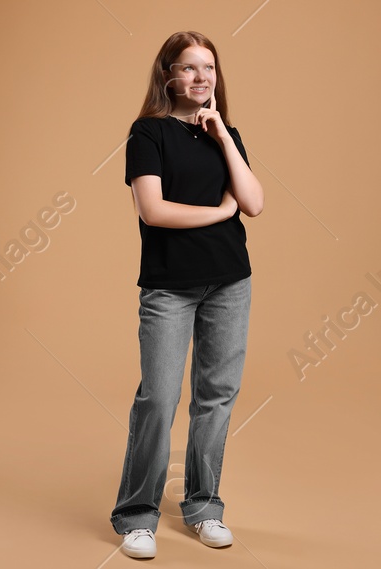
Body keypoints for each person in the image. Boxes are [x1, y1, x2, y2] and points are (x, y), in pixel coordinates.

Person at [112, 30, 263, 560]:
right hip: (169, 286)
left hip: (230, 281)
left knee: (216, 399)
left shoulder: (228, 133)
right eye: (190, 68)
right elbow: (153, 211)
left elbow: (255, 200)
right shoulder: (147, 133)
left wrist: (223, 134)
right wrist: (221, 214)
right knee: (158, 396)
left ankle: (204, 507)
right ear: (168, 74)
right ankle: (136, 516)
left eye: (210, 69)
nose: (202, 78)